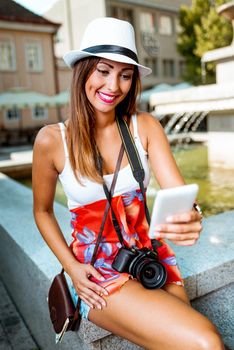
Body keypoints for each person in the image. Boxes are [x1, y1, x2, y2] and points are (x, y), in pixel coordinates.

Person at [33, 17, 224, 350]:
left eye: (125, 75)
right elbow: (42, 212)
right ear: (83, 70)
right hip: (97, 270)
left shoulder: (145, 127)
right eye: (103, 71)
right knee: (205, 341)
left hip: (150, 257)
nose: (113, 86)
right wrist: (73, 269)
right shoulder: (51, 140)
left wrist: (192, 216)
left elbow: (180, 196)